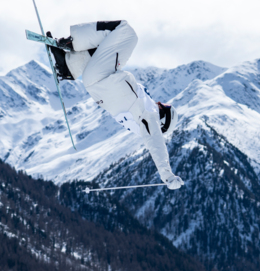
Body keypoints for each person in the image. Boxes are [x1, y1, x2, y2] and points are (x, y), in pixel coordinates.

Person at [48, 20, 183, 190]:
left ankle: (72, 43)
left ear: (163, 118)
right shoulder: (138, 120)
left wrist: (167, 175)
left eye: (164, 106)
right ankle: (67, 66)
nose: (159, 103)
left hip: (103, 76)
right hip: (96, 84)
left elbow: (156, 143)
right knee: (105, 47)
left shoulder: (149, 116)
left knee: (126, 32)